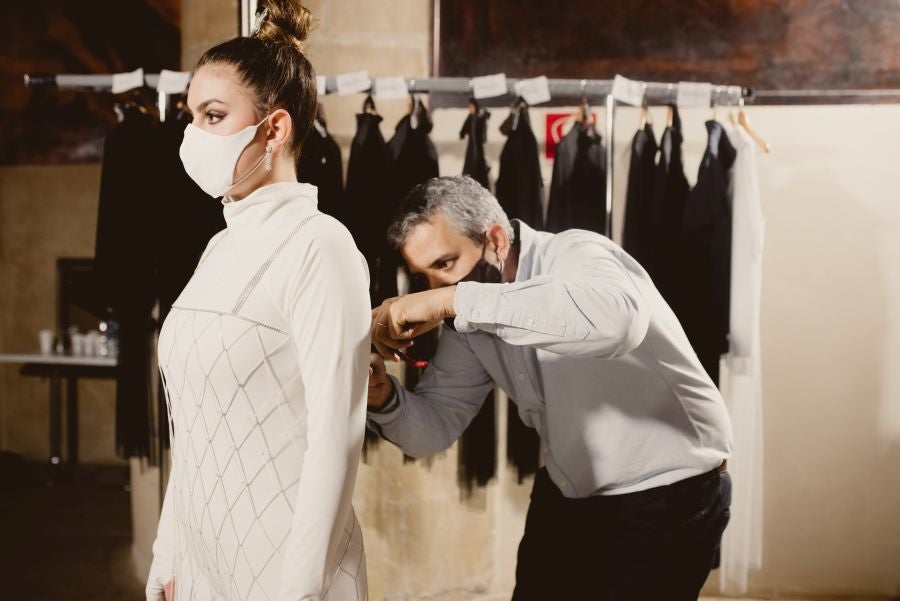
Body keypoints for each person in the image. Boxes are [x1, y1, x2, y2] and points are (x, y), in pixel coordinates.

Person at [368, 175, 733, 601]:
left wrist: (453, 299)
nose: (434, 289)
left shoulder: (576, 252)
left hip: (670, 489)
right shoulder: (470, 321)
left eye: (445, 264)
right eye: (424, 275)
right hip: (569, 489)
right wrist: (383, 397)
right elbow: (435, 427)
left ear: (497, 239)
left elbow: (617, 323)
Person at [146, 2, 370, 600]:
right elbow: (193, 435)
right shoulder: (218, 248)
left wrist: (296, 590)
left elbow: (337, 437)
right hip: (201, 561)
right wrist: (168, 557)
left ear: (274, 128)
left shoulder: (322, 248)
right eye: (191, 117)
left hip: (286, 569)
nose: (194, 136)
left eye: (214, 116)